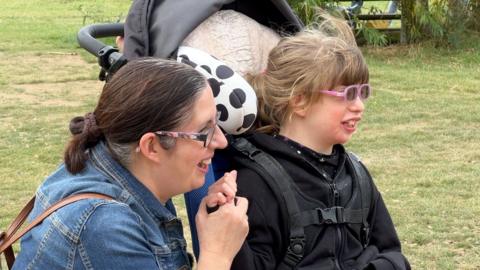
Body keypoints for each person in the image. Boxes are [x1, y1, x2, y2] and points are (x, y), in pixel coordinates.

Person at [12, 58, 248, 270]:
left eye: (215, 123)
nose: (221, 141)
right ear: (151, 147)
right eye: (204, 130)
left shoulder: (113, 165)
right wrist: (217, 254)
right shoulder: (103, 226)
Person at [229, 14, 410, 270]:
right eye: (346, 94)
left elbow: (390, 251)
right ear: (300, 100)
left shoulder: (356, 175)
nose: (359, 106)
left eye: (362, 92)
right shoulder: (257, 183)